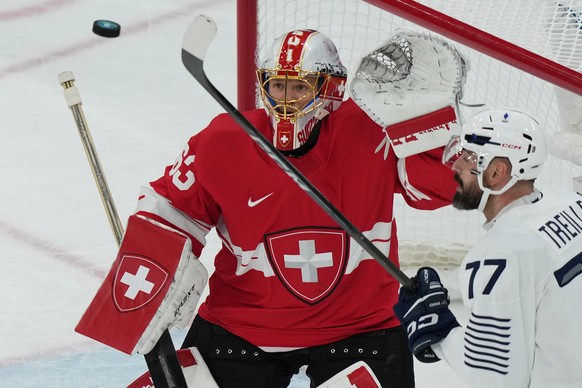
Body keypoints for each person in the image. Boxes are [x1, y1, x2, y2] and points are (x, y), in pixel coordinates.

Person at [129, 29, 462, 387]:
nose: (286, 100)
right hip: (244, 328)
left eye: (301, 87)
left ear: (330, 89)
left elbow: (436, 192)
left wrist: (426, 123)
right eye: (278, 86)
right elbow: (170, 209)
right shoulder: (224, 139)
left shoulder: (373, 129)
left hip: (358, 328)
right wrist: (147, 276)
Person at [394, 108, 582, 387]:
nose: (455, 166)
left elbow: (494, 379)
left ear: (497, 172)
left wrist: (442, 330)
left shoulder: (499, 255)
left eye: (468, 157)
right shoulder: (570, 203)